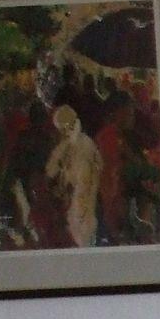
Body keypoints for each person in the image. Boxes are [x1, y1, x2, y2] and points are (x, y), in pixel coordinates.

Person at [44, 103, 102, 248]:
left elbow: (83, 187)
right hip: (75, 211)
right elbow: (51, 170)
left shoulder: (84, 147)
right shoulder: (69, 145)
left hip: (83, 213)